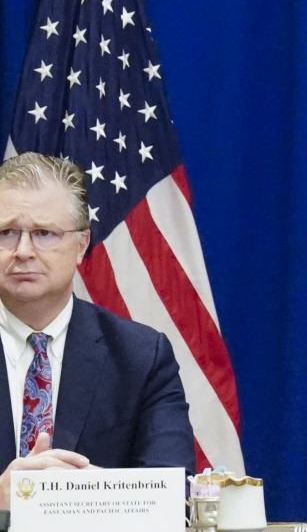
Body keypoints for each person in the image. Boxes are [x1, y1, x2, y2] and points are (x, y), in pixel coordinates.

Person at [0, 152, 194, 509]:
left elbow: (174, 495)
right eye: (7, 232)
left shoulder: (141, 357)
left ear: (81, 244)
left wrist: (70, 496)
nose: (23, 251)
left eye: (44, 233)